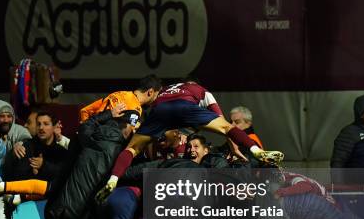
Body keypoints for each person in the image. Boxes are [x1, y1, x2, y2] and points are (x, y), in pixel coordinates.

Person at [97, 73, 284, 199]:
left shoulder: (164, 92)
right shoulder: (200, 90)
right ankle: (257, 150)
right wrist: (234, 146)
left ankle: (113, 179)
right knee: (226, 128)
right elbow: (223, 123)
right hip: (185, 109)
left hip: (160, 111)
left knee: (132, 148)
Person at [79, 74, 162, 124]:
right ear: (150, 92)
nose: (156, 99)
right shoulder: (135, 108)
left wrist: (86, 132)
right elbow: (128, 136)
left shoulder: (117, 94)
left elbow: (84, 111)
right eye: (157, 95)